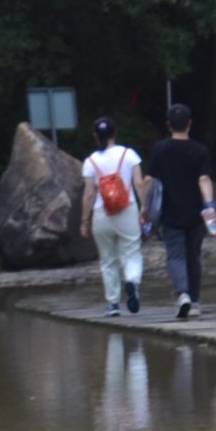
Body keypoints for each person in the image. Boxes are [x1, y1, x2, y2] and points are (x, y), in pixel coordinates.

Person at [146, 100, 216, 318]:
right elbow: (204, 179)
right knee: (194, 255)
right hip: (197, 213)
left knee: (175, 256)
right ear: (190, 124)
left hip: (170, 213)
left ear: (169, 125)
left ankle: (183, 294)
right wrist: (209, 205)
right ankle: (195, 301)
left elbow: (148, 180)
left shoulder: (160, 149)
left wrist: (145, 207)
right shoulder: (199, 150)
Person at [78, 115, 146, 317]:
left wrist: (84, 220)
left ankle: (113, 304)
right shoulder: (129, 154)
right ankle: (132, 282)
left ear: (95, 136)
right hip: (127, 209)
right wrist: (144, 207)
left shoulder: (90, 161)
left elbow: (89, 194)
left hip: (102, 214)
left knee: (108, 260)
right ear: (114, 133)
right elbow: (139, 184)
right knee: (131, 253)